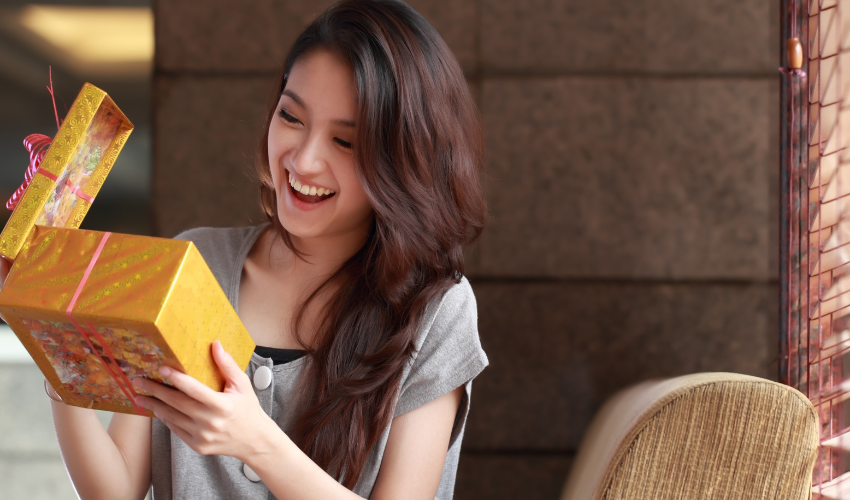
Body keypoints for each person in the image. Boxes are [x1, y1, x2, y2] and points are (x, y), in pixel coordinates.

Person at [13, 0, 488, 498]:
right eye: (291, 116)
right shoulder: (194, 263)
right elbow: (114, 491)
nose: (304, 160)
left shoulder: (436, 312)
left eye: (346, 142)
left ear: (403, 159)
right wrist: (51, 337)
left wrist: (256, 443)